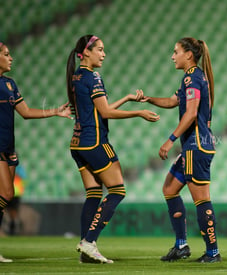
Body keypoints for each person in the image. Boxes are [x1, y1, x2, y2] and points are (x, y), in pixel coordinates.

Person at [66, 35, 159, 264]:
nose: (103, 54)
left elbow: (100, 109)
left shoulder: (76, 76)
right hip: (96, 142)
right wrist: (138, 112)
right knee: (117, 191)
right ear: (86, 52)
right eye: (99, 49)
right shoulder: (93, 76)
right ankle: (89, 241)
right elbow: (105, 113)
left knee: (94, 194)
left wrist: (126, 99)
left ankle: (86, 249)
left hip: (78, 143)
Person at [140, 37, 221, 263]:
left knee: (202, 200)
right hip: (192, 146)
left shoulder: (193, 77)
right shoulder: (190, 78)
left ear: (189, 55)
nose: (172, 56)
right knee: (169, 189)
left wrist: (170, 140)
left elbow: (192, 113)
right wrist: (148, 99)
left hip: (197, 145)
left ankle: (213, 252)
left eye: (175, 51)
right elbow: (172, 101)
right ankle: (181, 245)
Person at [0, 42, 72, 263]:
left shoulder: (10, 84)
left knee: (8, 195)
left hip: (9, 147)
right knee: (5, 195)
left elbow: (26, 112)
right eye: (5, 54)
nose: (11, 57)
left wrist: (55, 111)